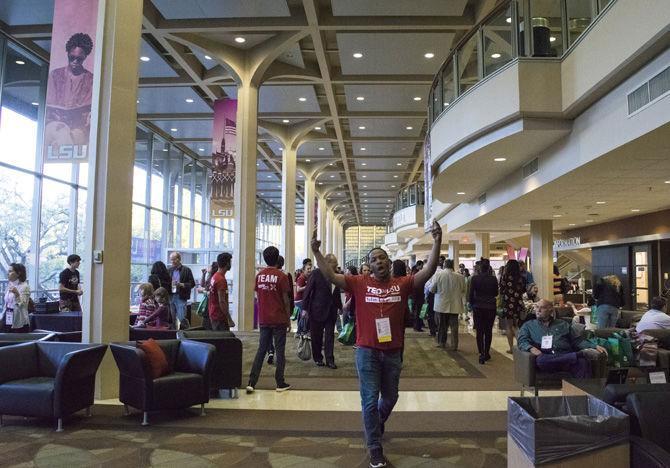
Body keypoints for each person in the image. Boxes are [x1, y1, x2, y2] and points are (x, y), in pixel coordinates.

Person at [311, 220, 442, 468]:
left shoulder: (402, 284)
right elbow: (329, 275)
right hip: (367, 351)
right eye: (374, 259)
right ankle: (375, 448)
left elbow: (429, 270)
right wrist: (316, 251)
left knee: (390, 398)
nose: (379, 262)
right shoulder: (358, 283)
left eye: (382, 258)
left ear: (389, 263)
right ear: (369, 266)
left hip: (393, 352)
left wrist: (437, 240)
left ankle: (376, 423)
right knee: (369, 400)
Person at [517, 299, 607, 378]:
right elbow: (522, 341)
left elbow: (576, 340)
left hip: (565, 356)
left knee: (582, 363)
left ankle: (585, 395)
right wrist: (531, 348)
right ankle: (577, 355)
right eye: (536, 307)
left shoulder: (562, 324)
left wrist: (594, 346)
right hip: (548, 358)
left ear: (550, 310)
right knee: (541, 360)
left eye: (542, 307)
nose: (538, 310)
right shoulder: (529, 325)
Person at [246, 246, 292, 393]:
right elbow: (285, 300)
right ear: (278, 258)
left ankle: (252, 382)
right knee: (280, 351)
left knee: (261, 349)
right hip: (279, 319)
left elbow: (258, 296)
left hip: (264, 318)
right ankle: (280, 382)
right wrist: (288, 318)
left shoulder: (259, 275)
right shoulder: (282, 276)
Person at [44, 33, 94, 152]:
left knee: (70, 136)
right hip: (56, 122)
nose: (75, 61)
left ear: (85, 57)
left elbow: (88, 108)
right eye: (72, 57)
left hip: (79, 126)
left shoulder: (91, 79)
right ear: (67, 54)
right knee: (60, 131)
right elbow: (50, 104)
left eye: (79, 58)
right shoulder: (56, 75)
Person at [302, 254, 342, 369]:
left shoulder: (336, 275)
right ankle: (318, 358)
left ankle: (330, 360)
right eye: (335, 264)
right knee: (316, 336)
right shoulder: (316, 273)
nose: (337, 266)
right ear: (328, 263)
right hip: (316, 310)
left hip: (331, 310)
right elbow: (308, 291)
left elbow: (336, 292)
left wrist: (340, 306)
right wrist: (304, 308)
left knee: (330, 336)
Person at [430, 259, 466, 350]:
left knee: (442, 325)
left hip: (441, 305)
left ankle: (442, 342)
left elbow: (432, 290)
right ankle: (454, 345)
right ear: (452, 266)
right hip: (455, 305)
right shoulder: (460, 277)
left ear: (444, 266)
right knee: (454, 326)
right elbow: (463, 290)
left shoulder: (438, 275)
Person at [468, 258, 498, 363]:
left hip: (478, 306)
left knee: (479, 331)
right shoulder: (493, 279)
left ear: (480, 268)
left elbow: (471, 294)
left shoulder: (475, 279)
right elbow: (496, 293)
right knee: (488, 331)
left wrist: (472, 304)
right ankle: (487, 352)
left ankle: (481, 353)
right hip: (490, 307)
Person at [500, 259, 526, 354]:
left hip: (508, 303)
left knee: (509, 326)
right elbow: (523, 290)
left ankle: (511, 348)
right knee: (516, 326)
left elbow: (501, 290)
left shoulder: (505, 277)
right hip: (518, 303)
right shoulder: (521, 278)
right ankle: (520, 346)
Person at [168, 252, 196, 329]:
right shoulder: (169, 270)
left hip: (181, 296)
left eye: (174, 259)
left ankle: (186, 335)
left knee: (182, 318)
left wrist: (181, 284)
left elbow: (192, 284)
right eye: (171, 260)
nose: (172, 261)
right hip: (171, 296)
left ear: (179, 259)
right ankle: (174, 335)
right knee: (172, 319)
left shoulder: (187, 270)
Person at [208, 253, 235, 331]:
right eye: (230, 262)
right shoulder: (221, 280)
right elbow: (222, 301)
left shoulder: (215, 276)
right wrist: (229, 318)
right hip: (219, 317)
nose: (231, 264)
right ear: (227, 263)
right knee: (223, 341)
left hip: (214, 314)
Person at [2, 263, 30, 332]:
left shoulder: (25, 286)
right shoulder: (10, 285)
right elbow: (6, 303)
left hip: (19, 320)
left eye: (10, 271)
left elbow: (24, 305)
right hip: (8, 316)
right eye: (8, 271)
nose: (8, 273)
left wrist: (17, 294)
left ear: (18, 273)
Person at [197, 261, 219, 330]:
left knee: (207, 319)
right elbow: (203, 285)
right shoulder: (209, 276)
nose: (208, 267)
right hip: (207, 301)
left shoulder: (214, 278)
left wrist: (203, 291)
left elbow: (209, 291)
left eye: (210, 266)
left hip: (210, 302)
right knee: (206, 318)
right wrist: (203, 274)